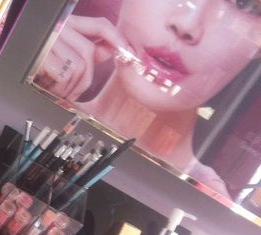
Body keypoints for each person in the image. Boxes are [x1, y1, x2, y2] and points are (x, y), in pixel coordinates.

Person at [33, 0, 261, 198]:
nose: (186, 25)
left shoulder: (210, 210)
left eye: (242, 3)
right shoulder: (38, 86)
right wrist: (27, 53)